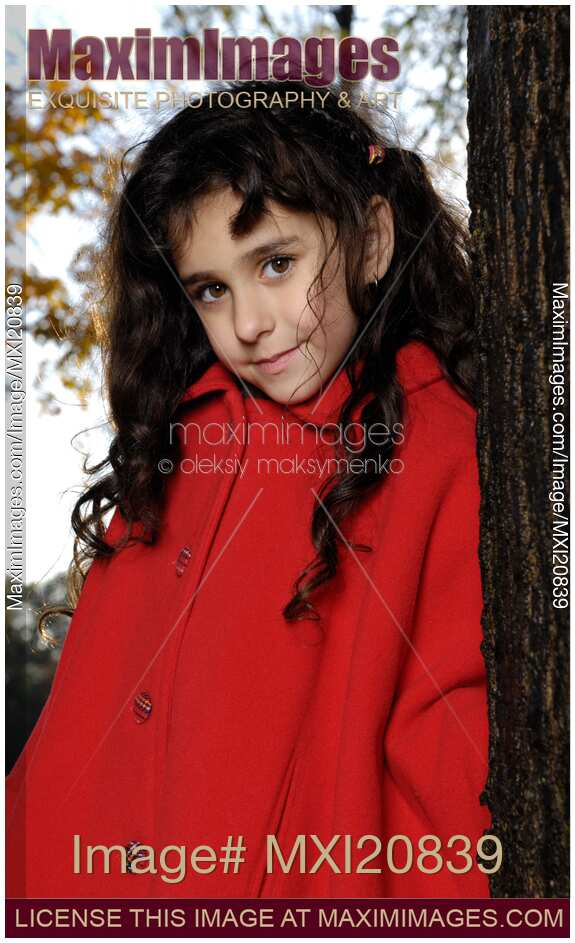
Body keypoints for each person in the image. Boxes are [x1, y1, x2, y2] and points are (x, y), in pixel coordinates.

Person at [6, 78, 494, 899]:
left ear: (372, 240)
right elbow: (70, 737)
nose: (247, 324)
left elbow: (452, 781)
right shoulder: (175, 445)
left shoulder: (441, 449)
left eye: (275, 262)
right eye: (211, 289)